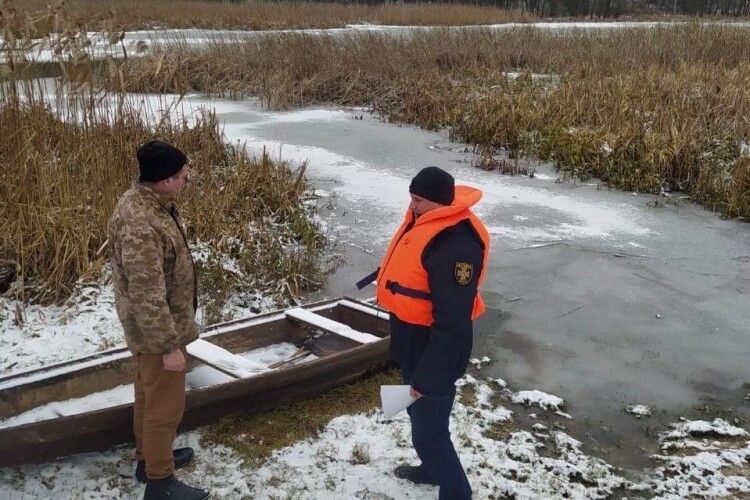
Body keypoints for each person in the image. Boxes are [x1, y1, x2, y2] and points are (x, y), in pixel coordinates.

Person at [374, 166, 490, 499]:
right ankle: (429, 470)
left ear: (441, 203)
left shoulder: (456, 246)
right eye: (411, 198)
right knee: (420, 418)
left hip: (434, 353)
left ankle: (457, 492)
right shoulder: (427, 222)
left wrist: (428, 377)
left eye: (418, 200)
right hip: (413, 344)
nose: (411, 207)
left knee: (430, 435)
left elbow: (452, 325)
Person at [109, 140, 209, 500]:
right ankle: (160, 482)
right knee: (165, 406)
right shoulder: (142, 221)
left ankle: (148, 459)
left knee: (147, 395)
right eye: (182, 176)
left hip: (154, 327)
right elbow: (147, 293)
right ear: (163, 180)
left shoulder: (151, 203)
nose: (186, 180)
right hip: (155, 331)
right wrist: (168, 346)